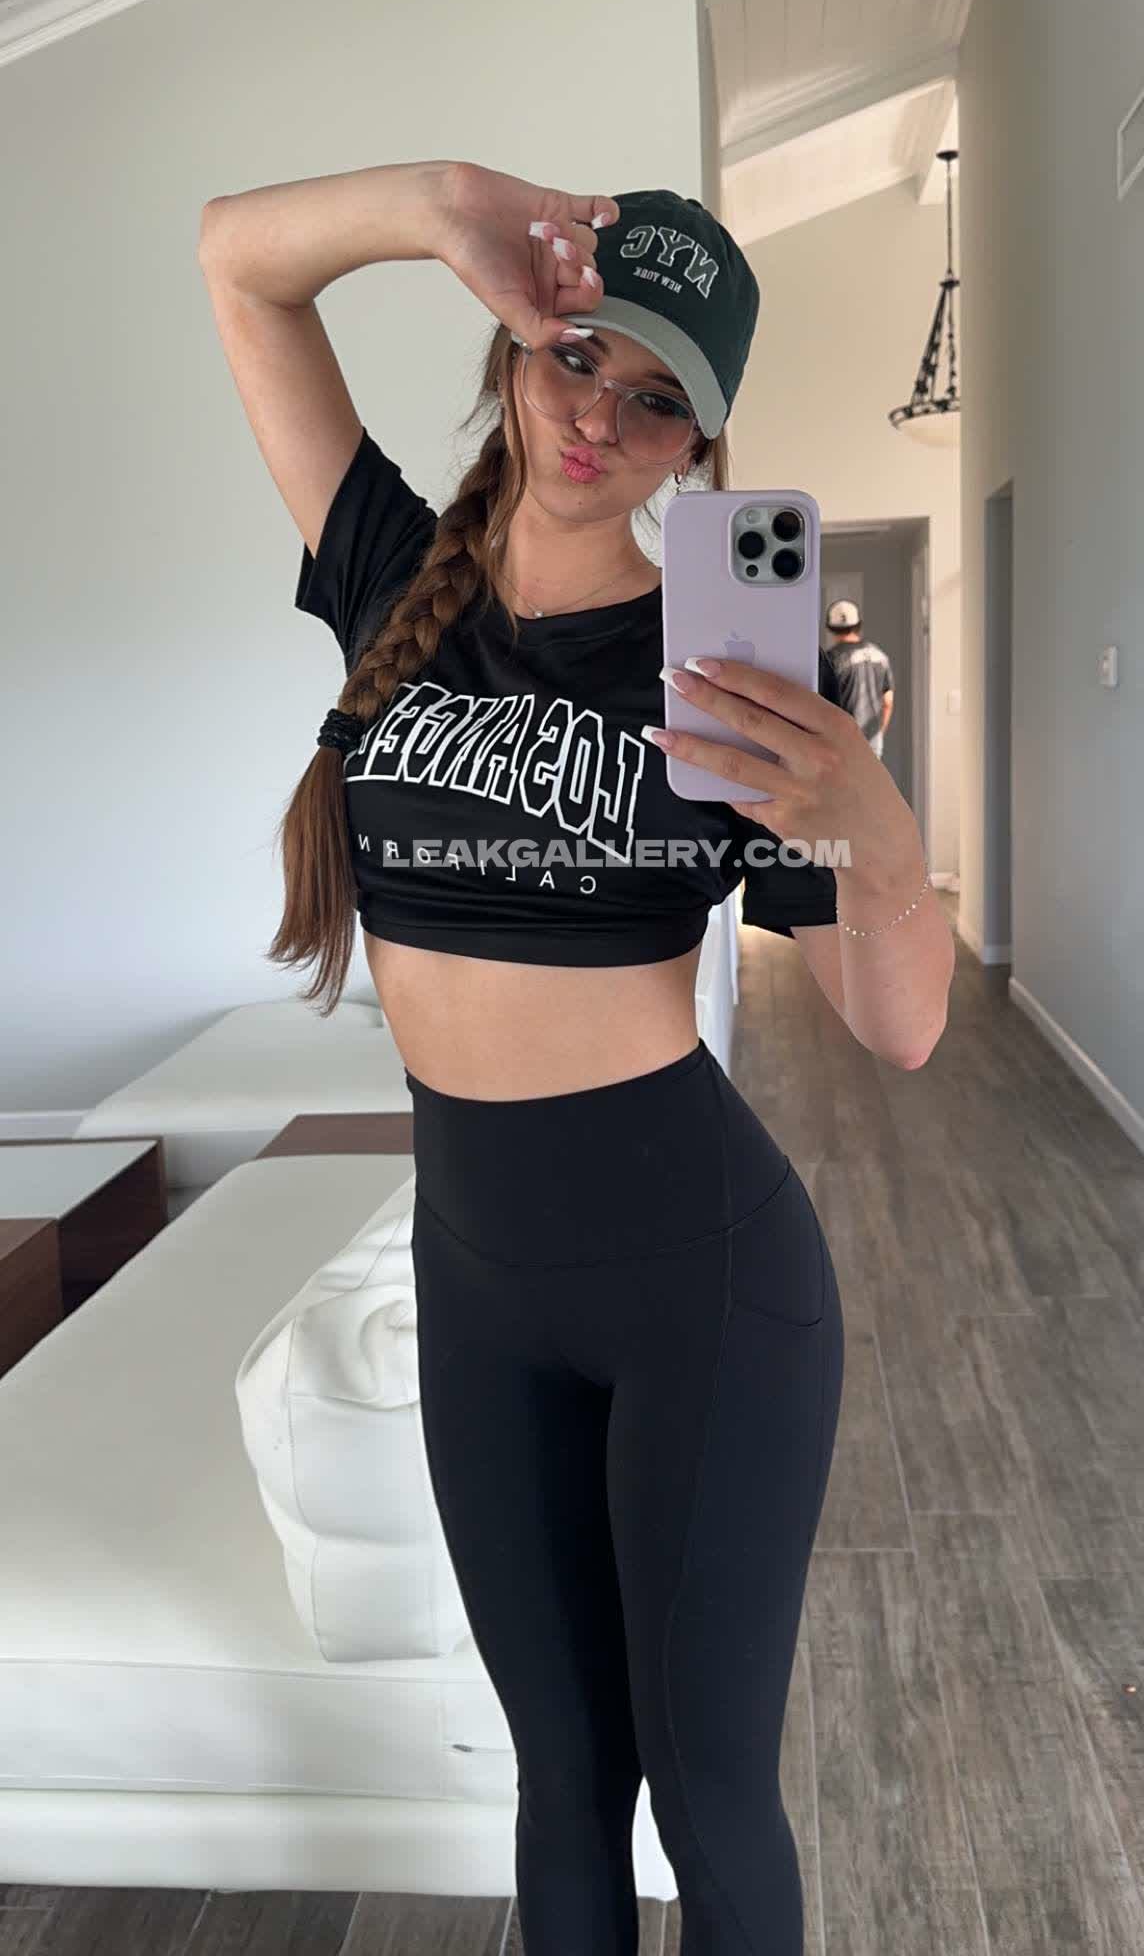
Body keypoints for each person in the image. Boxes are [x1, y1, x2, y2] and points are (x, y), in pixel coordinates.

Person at [198, 158, 951, 1955]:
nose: (598, 415)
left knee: (709, 1796)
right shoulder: (391, 571)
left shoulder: (726, 668)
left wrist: (865, 816)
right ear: (516, 345)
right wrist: (447, 205)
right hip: (475, 1278)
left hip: (704, 1288)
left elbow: (903, 1023)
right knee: (559, 1781)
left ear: (702, 444)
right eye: (575, 355)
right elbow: (238, 265)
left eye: (656, 396)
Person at [826, 598, 894, 758]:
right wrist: (878, 735)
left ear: (831, 627)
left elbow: (825, 703)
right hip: (872, 742)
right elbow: (887, 702)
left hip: (843, 742)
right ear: (858, 625)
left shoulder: (830, 659)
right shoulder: (879, 656)